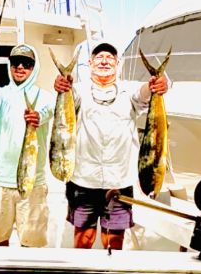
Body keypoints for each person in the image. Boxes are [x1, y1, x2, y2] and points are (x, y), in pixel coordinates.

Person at [54, 41, 169, 251]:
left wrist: (158, 84)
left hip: (119, 180)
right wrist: (63, 85)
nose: (104, 61)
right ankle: (82, 272)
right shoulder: (78, 90)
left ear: (117, 64)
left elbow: (144, 93)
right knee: (83, 239)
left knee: (114, 242)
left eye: (110, 58)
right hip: (83, 179)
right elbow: (68, 94)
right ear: (90, 63)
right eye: (99, 57)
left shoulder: (128, 90)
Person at [0, 43, 53, 247]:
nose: (20, 67)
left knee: (31, 245)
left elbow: (47, 112)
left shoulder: (46, 97)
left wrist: (38, 116)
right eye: (16, 62)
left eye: (27, 63)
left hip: (33, 183)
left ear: (35, 67)